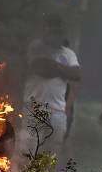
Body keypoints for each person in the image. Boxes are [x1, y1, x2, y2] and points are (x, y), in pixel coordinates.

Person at [23, 14, 81, 159]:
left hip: (57, 111)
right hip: (34, 108)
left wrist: (54, 66)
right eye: (53, 29)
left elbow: (76, 74)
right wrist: (62, 70)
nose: (57, 33)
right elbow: (41, 68)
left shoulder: (69, 53)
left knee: (51, 155)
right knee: (29, 151)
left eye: (60, 30)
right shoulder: (36, 47)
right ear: (47, 29)